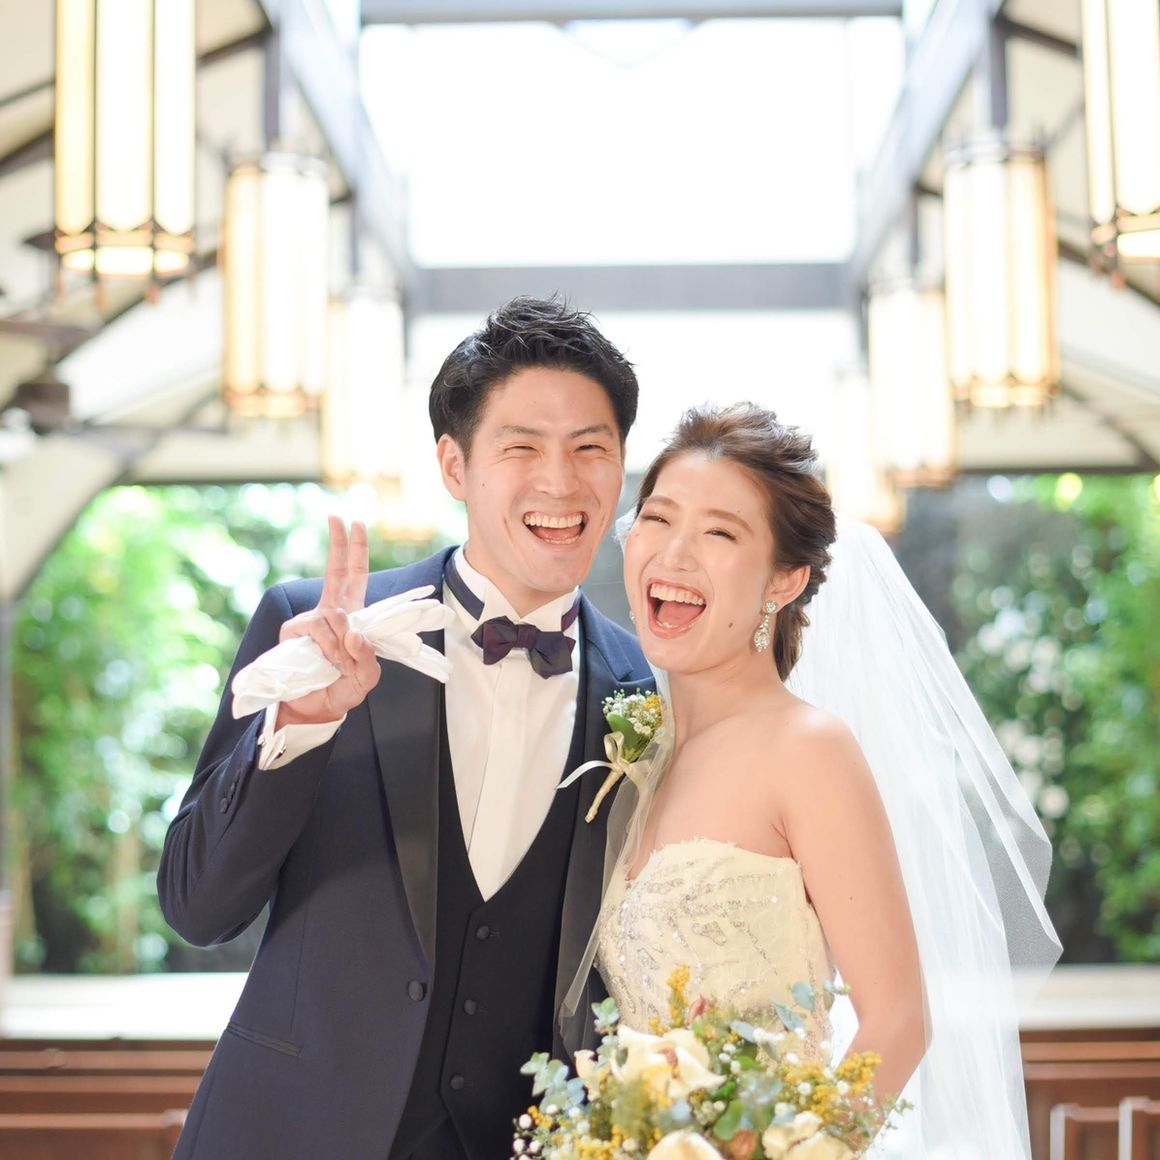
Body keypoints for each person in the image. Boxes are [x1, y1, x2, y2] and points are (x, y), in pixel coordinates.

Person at [157, 297, 653, 1160]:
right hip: (297, 1135)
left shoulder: (645, 690)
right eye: (522, 447)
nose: (561, 483)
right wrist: (300, 724)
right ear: (455, 465)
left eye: (590, 448)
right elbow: (198, 907)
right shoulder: (317, 633)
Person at [578, 403, 1060, 1157]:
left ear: (784, 580)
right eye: (658, 519)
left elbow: (899, 1019)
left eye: (719, 533)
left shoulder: (809, 750)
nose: (673, 553)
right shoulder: (638, 756)